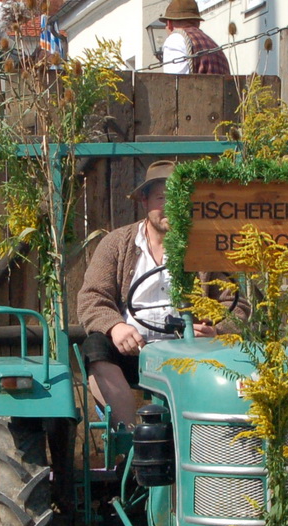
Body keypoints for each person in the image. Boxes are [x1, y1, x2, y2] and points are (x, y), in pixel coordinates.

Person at [76, 161, 218, 428]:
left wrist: (216, 330)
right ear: (144, 200)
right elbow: (91, 298)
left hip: (188, 351)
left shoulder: (205, 248)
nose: (170, 206)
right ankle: (131, 439)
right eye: (162, 198)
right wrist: (115, 326)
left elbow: (236, 306)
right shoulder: (117, 244)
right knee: (95, 347)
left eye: (178, 197)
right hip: (132, 351)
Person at [156, 0, 232, 74]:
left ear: (169, 24)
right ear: (198, 23)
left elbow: (175, 83)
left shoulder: (175, 40)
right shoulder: (216, 48)